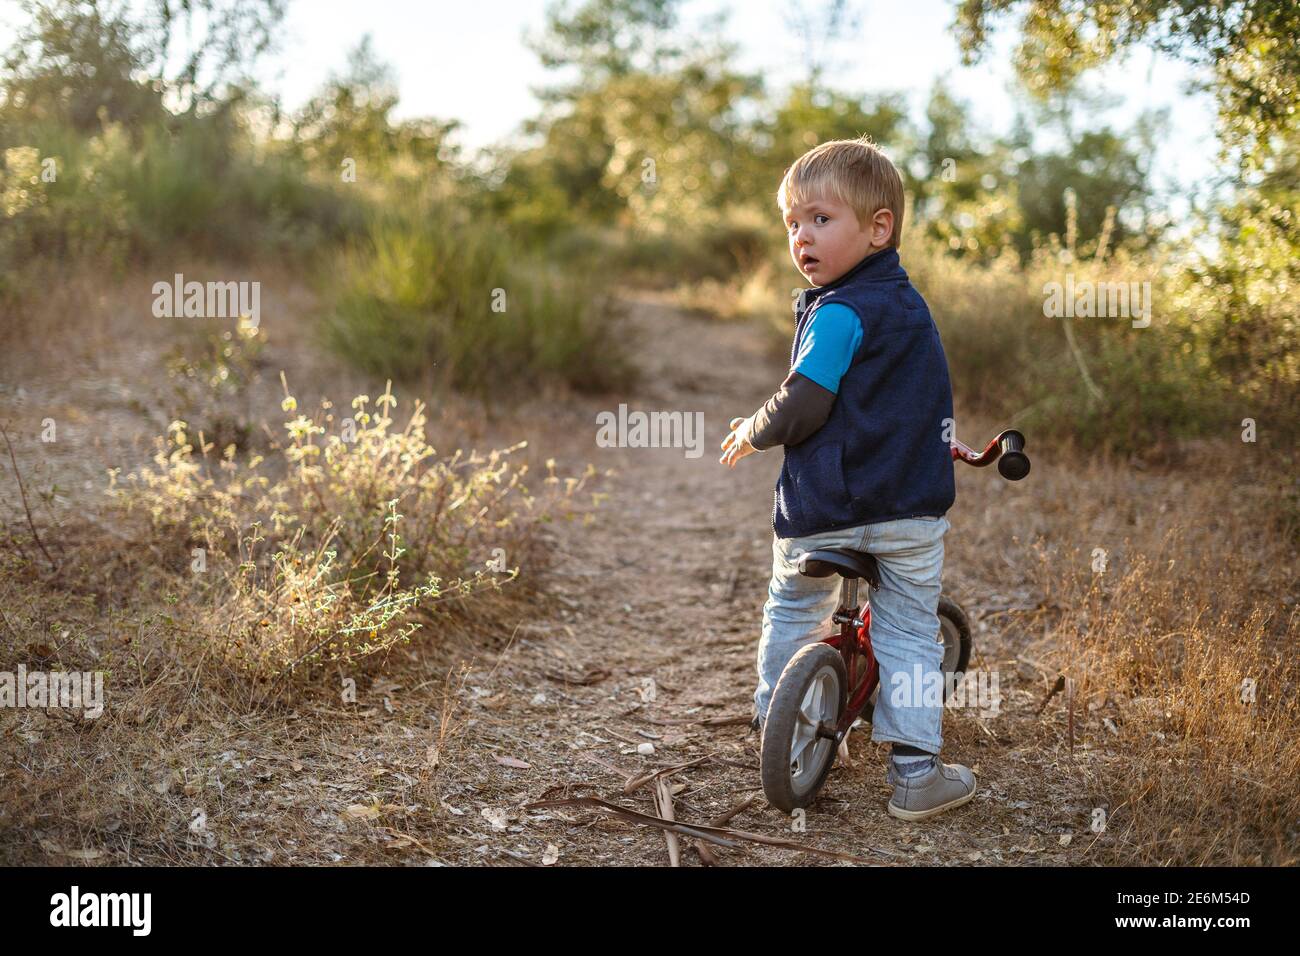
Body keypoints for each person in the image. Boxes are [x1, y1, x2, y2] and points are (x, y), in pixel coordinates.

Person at [719, 136, 976, 821]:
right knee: (910, 629)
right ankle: (917, 775)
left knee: (794, 606)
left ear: (878, 227)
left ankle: (776, 716)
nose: (801, 236)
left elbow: (805, 400)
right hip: (908, 512)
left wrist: (754, 429)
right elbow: (907, 402)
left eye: (820, 220)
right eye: (792, 223)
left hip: (823, 508)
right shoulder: (914, 311)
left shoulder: (836, 312)